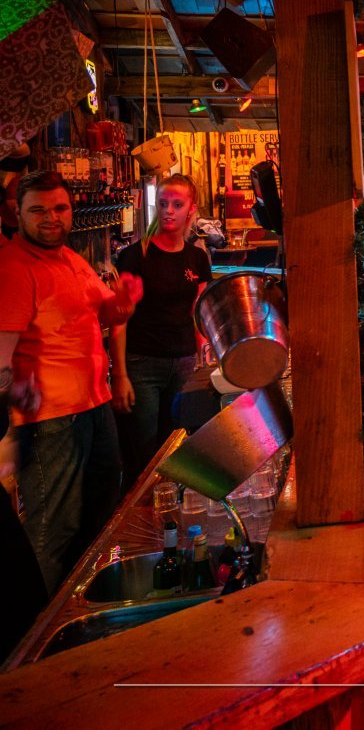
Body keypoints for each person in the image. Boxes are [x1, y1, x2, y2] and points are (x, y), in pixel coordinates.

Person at [0, 170, 144, 592]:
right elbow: (2, 353)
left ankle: (81, 604)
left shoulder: (69, 259)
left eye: (59, 208)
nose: (51, 218)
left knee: (98, 514)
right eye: (38, 210)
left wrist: (124, 302)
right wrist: (9, 423)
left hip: (93, 405)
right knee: (53, 529)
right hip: (50, 418)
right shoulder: (14, 267)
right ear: (17, 213)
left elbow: (106, 314)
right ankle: (37, 624)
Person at [111, 174, 212, 485]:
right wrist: (120, 375)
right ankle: (138, 510)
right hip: (143, 363)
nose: (169, 210)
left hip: (183, 362)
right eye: (163, 203)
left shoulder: (197, 258)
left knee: (177, 444)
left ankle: (170, 507)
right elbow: (119, 318)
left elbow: (198, 311)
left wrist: (203, 354)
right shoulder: (135, 256)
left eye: (177, 205)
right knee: (142, 452)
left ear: (191, 209)